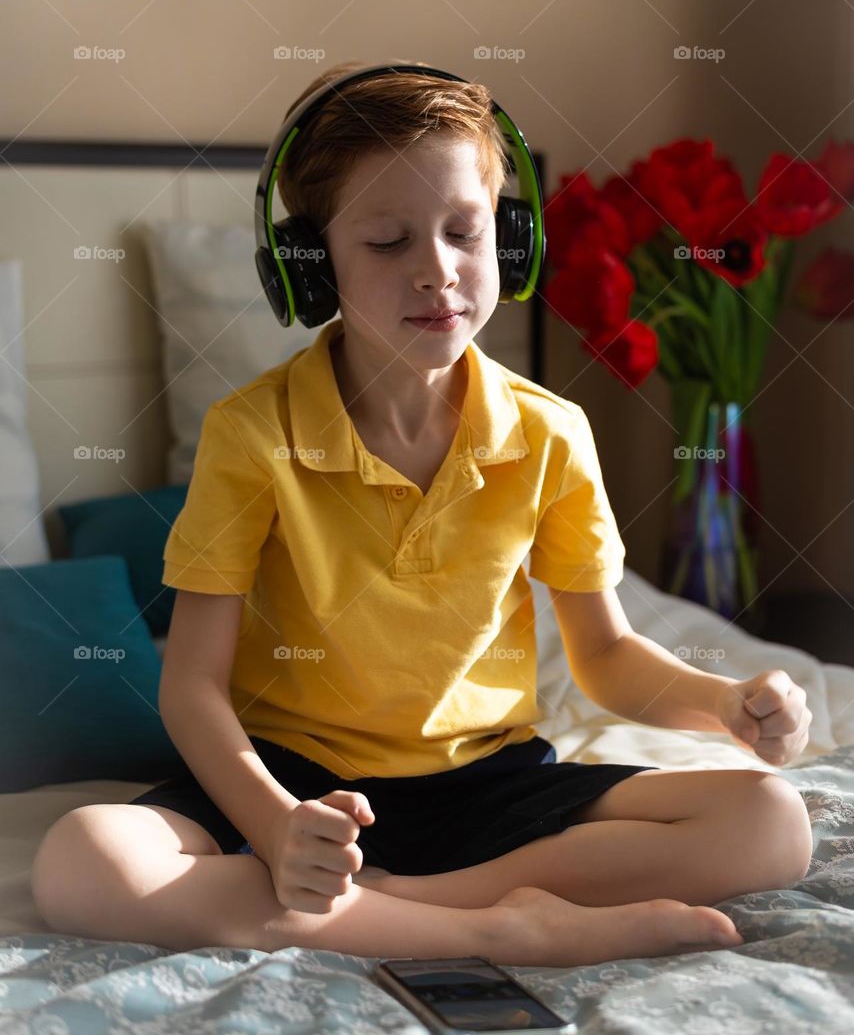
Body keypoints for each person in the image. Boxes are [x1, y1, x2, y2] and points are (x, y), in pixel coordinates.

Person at [31, 61, 813, 968]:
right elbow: (192, 685)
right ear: (312, 268)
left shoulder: (552, 433)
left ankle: (396, 909)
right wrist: (278, 828)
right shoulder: (250, 434)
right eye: (389, 241)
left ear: (509, 244)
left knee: (771, 822)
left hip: (486, 783)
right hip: (294, 784)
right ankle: (500, 928)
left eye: (462, 233)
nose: (437, 271)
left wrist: (728, 703)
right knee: (84, 860)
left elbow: (603, 656)